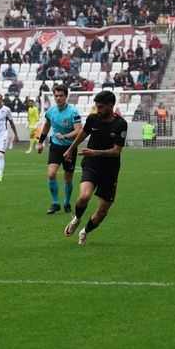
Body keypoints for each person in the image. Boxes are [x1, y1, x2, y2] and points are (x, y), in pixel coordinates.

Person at [62, 90, 128, 246]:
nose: (98, 110)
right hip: (92, 164)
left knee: (102, 212)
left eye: (101, 107)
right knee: (84, 195)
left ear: (110, 105)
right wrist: (70, 149)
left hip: (110, 170)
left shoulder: (121, 124)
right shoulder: (93, 119)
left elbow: (116, 151)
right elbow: (82, 134)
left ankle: (84, 232)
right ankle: (77, 218)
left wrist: (95, 152)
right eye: (96, 107)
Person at [36, 84, 82, 214]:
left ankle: (67, 202)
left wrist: (65, 136)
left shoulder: (73, 112)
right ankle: (55, 203)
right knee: (51, 174)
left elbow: (79, 130)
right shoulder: (51, 111)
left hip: (70, 147)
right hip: (55, 146)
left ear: (66, 96)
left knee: (68, 179)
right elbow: (46, 126)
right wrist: (40, 142)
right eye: (56, 96)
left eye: (61, 96)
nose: (58, 98)